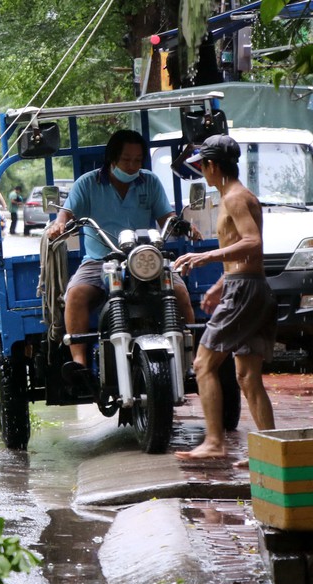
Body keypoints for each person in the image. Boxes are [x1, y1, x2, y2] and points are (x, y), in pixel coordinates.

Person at [45, 129, 199, 392]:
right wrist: (58, 225)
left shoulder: (149, 182)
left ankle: (194, 361)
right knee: (76, 294)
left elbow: (166, 218)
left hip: (144, 258)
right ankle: (79, 364)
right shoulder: (87, 183)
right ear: (112, 160)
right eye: (127, 160)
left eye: (138, 160)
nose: (132, 166)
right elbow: (66, 215)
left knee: (180, 292)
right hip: (99, 260)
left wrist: (184, 227)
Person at [171, 135, 276, 463]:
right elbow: (244, 255)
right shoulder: (236, 195)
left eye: (203, 166)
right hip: (250, 286)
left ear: (212, 165)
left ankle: (214, 441)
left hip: (245, 291)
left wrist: (206, 257)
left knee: (203, 364)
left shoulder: (233, 198)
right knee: (247, 376)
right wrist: (221, 284)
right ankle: (271, 452)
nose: (203, 172)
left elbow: (252, 242)